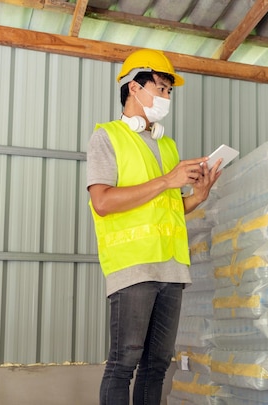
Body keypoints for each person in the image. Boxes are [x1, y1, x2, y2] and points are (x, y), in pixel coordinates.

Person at [86, 48, 222, 405]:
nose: (165, 98)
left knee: (157, 364)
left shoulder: (168, 146)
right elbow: (102, 202)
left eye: (168, 92)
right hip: (133, 267)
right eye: (160, 89)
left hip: (172, 268)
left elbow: (167, 208)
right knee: (123, 363)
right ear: (134, 88)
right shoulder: (107, 137)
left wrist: (198, 197)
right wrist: (167, 180)